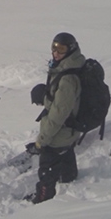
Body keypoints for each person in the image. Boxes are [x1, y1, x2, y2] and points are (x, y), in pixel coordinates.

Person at [24, 32, 85, 204]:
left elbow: (59, 113)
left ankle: (43, 197)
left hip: (60, 130)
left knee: (47, 165)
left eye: (61, 49)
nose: (56, 53)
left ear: (70, 49)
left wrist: (42, 140)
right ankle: (69, 177)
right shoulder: (68, 67)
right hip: (70, 129)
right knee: (66, 151)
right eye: (54, 48)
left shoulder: (68, 79)